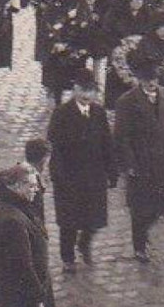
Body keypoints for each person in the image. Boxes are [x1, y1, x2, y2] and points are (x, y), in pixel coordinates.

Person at [113, 63, 164, 262]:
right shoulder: (126, 102)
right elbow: (121, 137)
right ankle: (139, 246)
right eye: (147, 80)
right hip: (140, 163)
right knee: (140, 207)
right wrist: (129, 164)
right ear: (139, 80)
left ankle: (144, 235)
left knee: (162, 205)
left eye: (154, 79)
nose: (152, 83)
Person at [47, 78, 117, 271]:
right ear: (74, 89)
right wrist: (58, 176)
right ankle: (68, 258)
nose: (86, 96)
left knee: (93, 218)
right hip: (69, 176)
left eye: (91, 91)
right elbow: (54, 146)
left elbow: (107, 143)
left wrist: (112, 171)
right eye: (82, 90)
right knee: (69, 221)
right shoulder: (61, 113)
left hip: (94, 176)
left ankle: (84, 244)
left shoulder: (98, 112)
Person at [0, 165, 56, 307]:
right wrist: (38, 298)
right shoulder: (12, 220)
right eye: (31, 186)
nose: (36, 190)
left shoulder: (6, 204)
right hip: (22, 300)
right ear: (14, 186)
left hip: (13, 295)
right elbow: (23, 265)